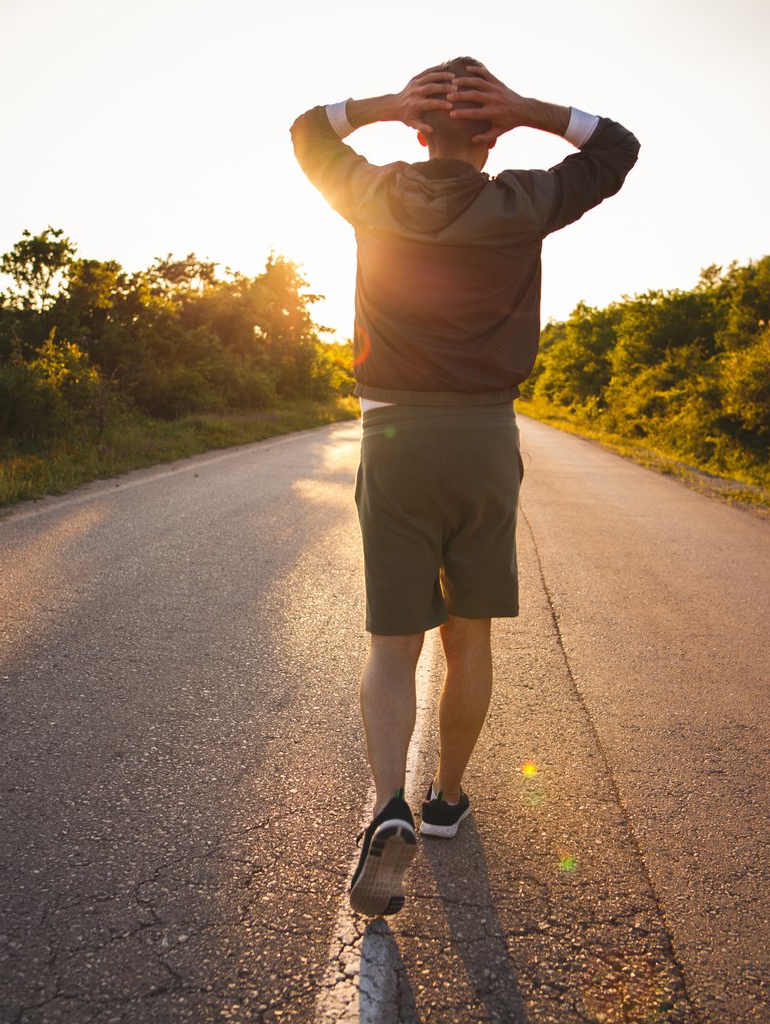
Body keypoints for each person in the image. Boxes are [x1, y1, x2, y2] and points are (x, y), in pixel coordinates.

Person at [290, 58, 639, 917]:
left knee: (392, 644)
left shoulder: (374, 192)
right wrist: (532, 109)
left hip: (395, 435)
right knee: (468, 633)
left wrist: (384, 102)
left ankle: (388, 806)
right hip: (485, 435)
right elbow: (618, 148)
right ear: (494, 133)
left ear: (418, 130)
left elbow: (307, 131)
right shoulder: (523, 201)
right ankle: (445, 800)